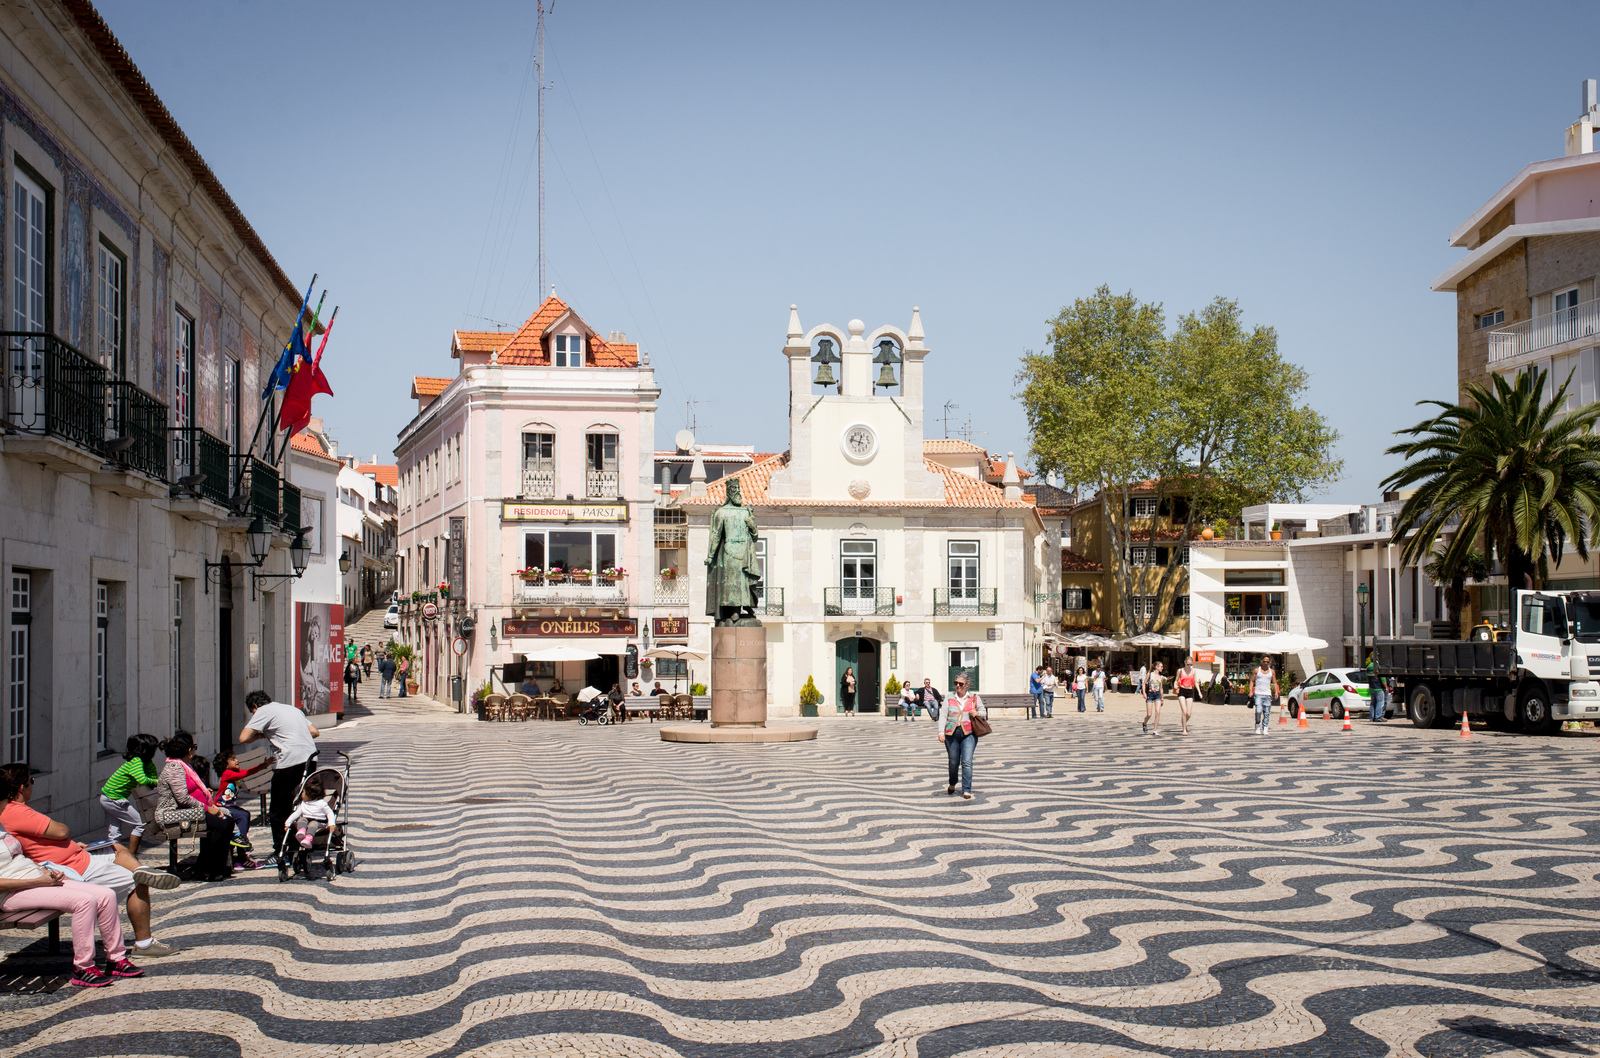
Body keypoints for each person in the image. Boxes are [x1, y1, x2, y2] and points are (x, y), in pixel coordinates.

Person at [0, 763, 179, 957]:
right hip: (68, 867)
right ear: (21, 787)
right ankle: (139, 944)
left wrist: (71, 844)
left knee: (117, 848)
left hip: (71, 859)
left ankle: (141, 869)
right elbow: (61, 831)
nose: (33, 786)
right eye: (31, 781)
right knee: (132, 882)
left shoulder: (13, 812)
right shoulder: (16, 811)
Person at [0, 827, 142, 987]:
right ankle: (83, 968)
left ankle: (116, 959)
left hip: (40, 879)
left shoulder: (2, 827)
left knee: (106, 895)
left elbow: (19, 859)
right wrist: (38, 881)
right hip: (13, 893)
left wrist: (46, 870)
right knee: (84, 901)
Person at [238, 690, 321, 866]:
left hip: (289, 762)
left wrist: (261, 733)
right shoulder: (291, 709)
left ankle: (281, 851)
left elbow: (243, 738)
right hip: (310, 760)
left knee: (277, 810)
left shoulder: (263, 711)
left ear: (254, 707)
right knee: (299, 803)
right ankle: (299, 843)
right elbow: (314, 732)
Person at [154, 733, 235, 881]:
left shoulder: (182, 765)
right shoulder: (174, 767)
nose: (195, 751)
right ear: (189, 750)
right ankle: (209, 868)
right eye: (194, 747)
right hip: (172, 815)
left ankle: (211, 867)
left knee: (226, 821)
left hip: (187, 811)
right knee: (222, 824)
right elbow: (182, 798)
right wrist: (207, 808)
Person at [99, 734, 161, 854]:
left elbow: (151, 781)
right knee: (140, 824)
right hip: (114, 798)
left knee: (114, 833)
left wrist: (150, 766)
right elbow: (143, 780)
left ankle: (116, 857)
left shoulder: (140, 762)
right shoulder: (136, 762)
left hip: (108, 797)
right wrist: (160, 781)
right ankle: (131, 856)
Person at [212, 749, 273, 853]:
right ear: (226, 765)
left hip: (230, 806)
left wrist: (264, 765)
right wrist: (263, 766)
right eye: (232, 759)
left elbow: (248, 772)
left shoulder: (233, 773)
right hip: (221, 806)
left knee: (245, 814)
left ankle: (241, 842)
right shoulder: (227, 773)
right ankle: (241, 843)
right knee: (243, 815)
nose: (237, 760)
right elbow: (247, 773)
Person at [939, 673, 985, 800]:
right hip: (951, 734)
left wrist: (976, 713)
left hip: (969, 734)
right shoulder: (949, 698)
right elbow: (943, 716)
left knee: (967, 762)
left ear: (967, 685)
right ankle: (953, 782)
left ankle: (966, 789)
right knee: (953, 762)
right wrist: (940, 732)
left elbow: (984, 713)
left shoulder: (974, 698)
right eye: (956, 683)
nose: (958, 686)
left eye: (961, 684)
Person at [284, 776, 339, 867]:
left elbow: (330, 813)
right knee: (301, 819)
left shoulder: (322, 803)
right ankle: (301, 832)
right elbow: (296, 813)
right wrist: (288, 823)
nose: (301, 794)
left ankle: (309, 838)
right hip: (306, 821)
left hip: (319, 822)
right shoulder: (303, 804)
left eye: (303, 792)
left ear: (310, 795)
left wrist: (331, 823)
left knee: (313, 824)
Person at [1251, 657, 1280, 735]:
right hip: (1258, 694)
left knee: (1267, 712)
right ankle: (1257, 726)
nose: (1266, 663)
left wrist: (1276, 692)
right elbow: (1252, 681)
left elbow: (1274, 682)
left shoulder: (1272, 672)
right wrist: (1251, 691)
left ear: (1269, 662)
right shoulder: (1257, 671)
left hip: (1267, 694)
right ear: (1261, 662)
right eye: (1264, 661)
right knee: (1258, 711)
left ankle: (1265, 728)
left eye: (1267, 662)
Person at [1175, 659, 1200, 735]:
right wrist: (1175, 686)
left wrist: (1199, 692)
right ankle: (1184, 730)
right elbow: (1176, 680)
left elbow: (1195, 682)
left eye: (1191, 664)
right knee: (1184, 711)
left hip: (1190, 691)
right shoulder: (1180, 671)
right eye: (1188, 664)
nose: (1189, 666)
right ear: (1185, 663)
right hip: (1182, 690)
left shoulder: (1193, 671)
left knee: (1189, 714)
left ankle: (1183, 722)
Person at [1143, 662, 1166, 735]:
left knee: (1158, 712)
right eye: (1161, 666)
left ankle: (1155, 730)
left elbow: (1161, 688)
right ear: (1156, 667)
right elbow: (1144, 683)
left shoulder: (1160, 677)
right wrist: (1144, 693)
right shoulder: (1150, 674)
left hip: (1157, 695)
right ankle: (1144, 723)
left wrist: (1162, 698)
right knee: (1149, 714)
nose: (1162, 668)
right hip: (1150, 694)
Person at [1366, 653, 1388, 723]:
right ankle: (1378, 717)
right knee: (1380, 703)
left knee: (1373, 703)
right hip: (1378, 688)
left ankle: (1371, 717)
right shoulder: (1377, 666)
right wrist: (1386, 686)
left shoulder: (1368, 666)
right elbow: (1382, 678)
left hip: (1372, 688)